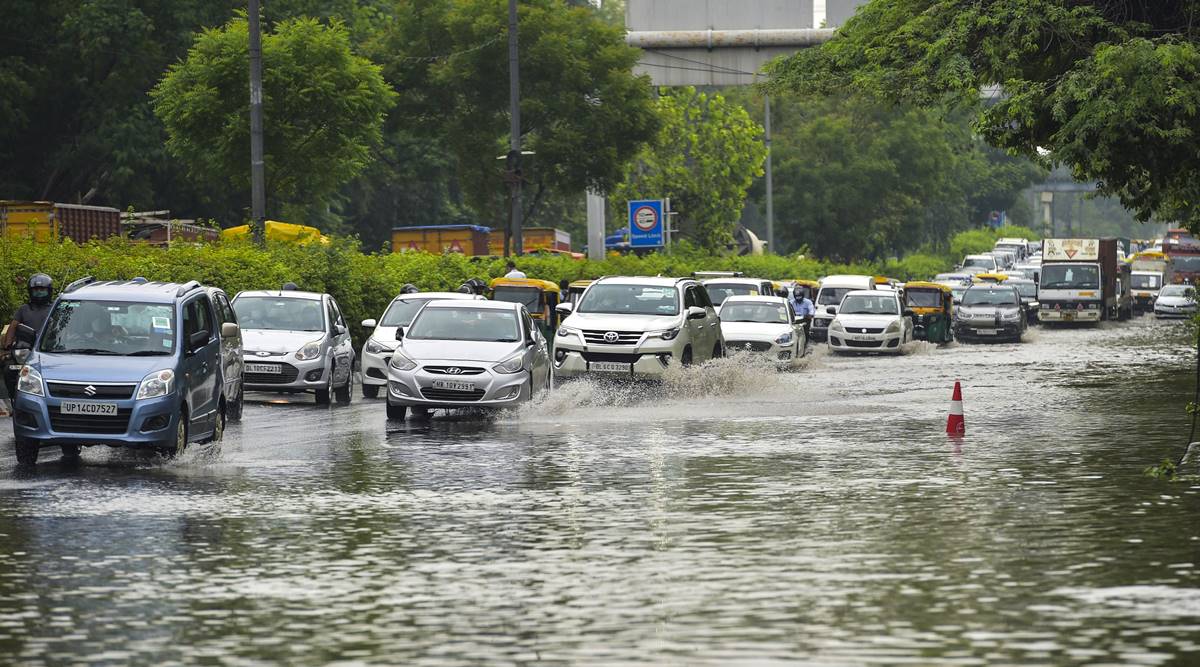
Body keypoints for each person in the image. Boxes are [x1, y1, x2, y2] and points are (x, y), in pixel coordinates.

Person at [2, 274, 53, 408]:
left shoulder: (54, 308)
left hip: (49, 348)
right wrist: (8, 345)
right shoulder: (24, 309)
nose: (39, 292)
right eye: (36, 290)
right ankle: (14, 399)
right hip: (25, 350)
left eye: (42, 289)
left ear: (49, 291)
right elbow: (13, 326)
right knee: (8, 369)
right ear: (30, 291)